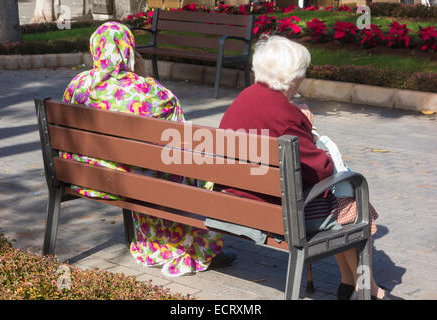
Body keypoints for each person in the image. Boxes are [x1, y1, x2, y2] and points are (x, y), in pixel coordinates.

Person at [219, 35, 400, 300]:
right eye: (302, 73)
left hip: (240, 200)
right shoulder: (286, 115)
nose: (302, 78)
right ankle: (367, 288)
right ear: (292, 77)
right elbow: (322, 169)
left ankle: (349, 283)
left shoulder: (246, 97)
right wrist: (309, 127)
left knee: (342, 205)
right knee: (354, 207)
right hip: (276, 213)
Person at [60, 21, 235, 277]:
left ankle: (156, 243)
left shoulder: (78, 85)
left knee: (154, 168)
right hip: (134, 182)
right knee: (190, 170)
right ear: (129, 50)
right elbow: (177, 141)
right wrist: (141, 76)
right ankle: (194, 246)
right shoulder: (150, 91)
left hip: (86, 177)